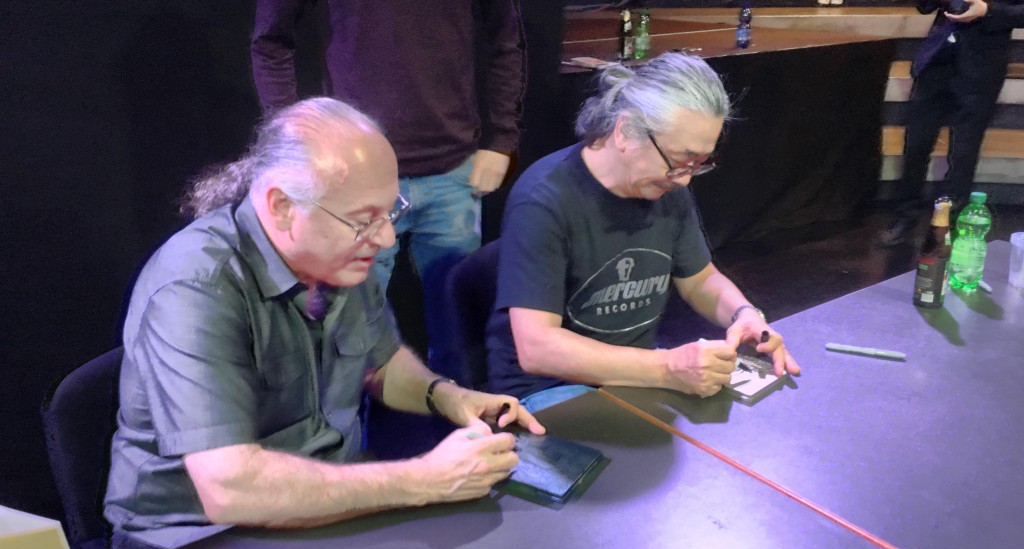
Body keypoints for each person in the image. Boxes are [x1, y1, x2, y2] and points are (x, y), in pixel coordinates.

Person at [104, 98, 544, 549]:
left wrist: (447, 396)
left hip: (320, 505)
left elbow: (381, 364)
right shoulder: (194, 288)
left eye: (389, 212)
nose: (385, 238)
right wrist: (426, 479)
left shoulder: (338, 258)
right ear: (282, 207)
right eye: (364, 220)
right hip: (197, 540)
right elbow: (229, 488)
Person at [485, 53, 801, 412]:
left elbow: (700, 280)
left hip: (636, 372)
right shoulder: (545, 200)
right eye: (679, 161)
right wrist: (667, 368)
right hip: (550, 390)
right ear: (625, 131)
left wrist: (744, 314)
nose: (685, 179)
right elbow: (537, 349)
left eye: (699, 164)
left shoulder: (667, 188)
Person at [251, 0, 525, 373]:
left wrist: (503, 139)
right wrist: (297, 142)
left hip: (452, 170)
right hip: (356, 180)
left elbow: (505, 37)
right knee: (349, 339)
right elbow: (270, 42)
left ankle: (455, 406)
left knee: (459, 336)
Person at [878, 0, 1024, 246]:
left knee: (964, 152)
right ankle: (904, 217)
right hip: (937, 61)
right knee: (916, 143)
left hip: (982, 67)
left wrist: (986, 11)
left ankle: (951, 224)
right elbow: (924, 6)